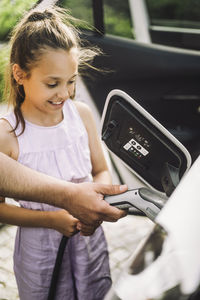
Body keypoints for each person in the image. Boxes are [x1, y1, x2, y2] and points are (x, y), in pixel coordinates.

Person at [0, 6, 127, 299]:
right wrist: (52, 219)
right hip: (39, 248)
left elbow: (100, 169)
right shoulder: (8, 135)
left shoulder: (80, 115)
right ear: (20, 74)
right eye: (52, 84)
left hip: (87, 239)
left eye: (71, 81)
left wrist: (97, 199)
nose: (64, 93)